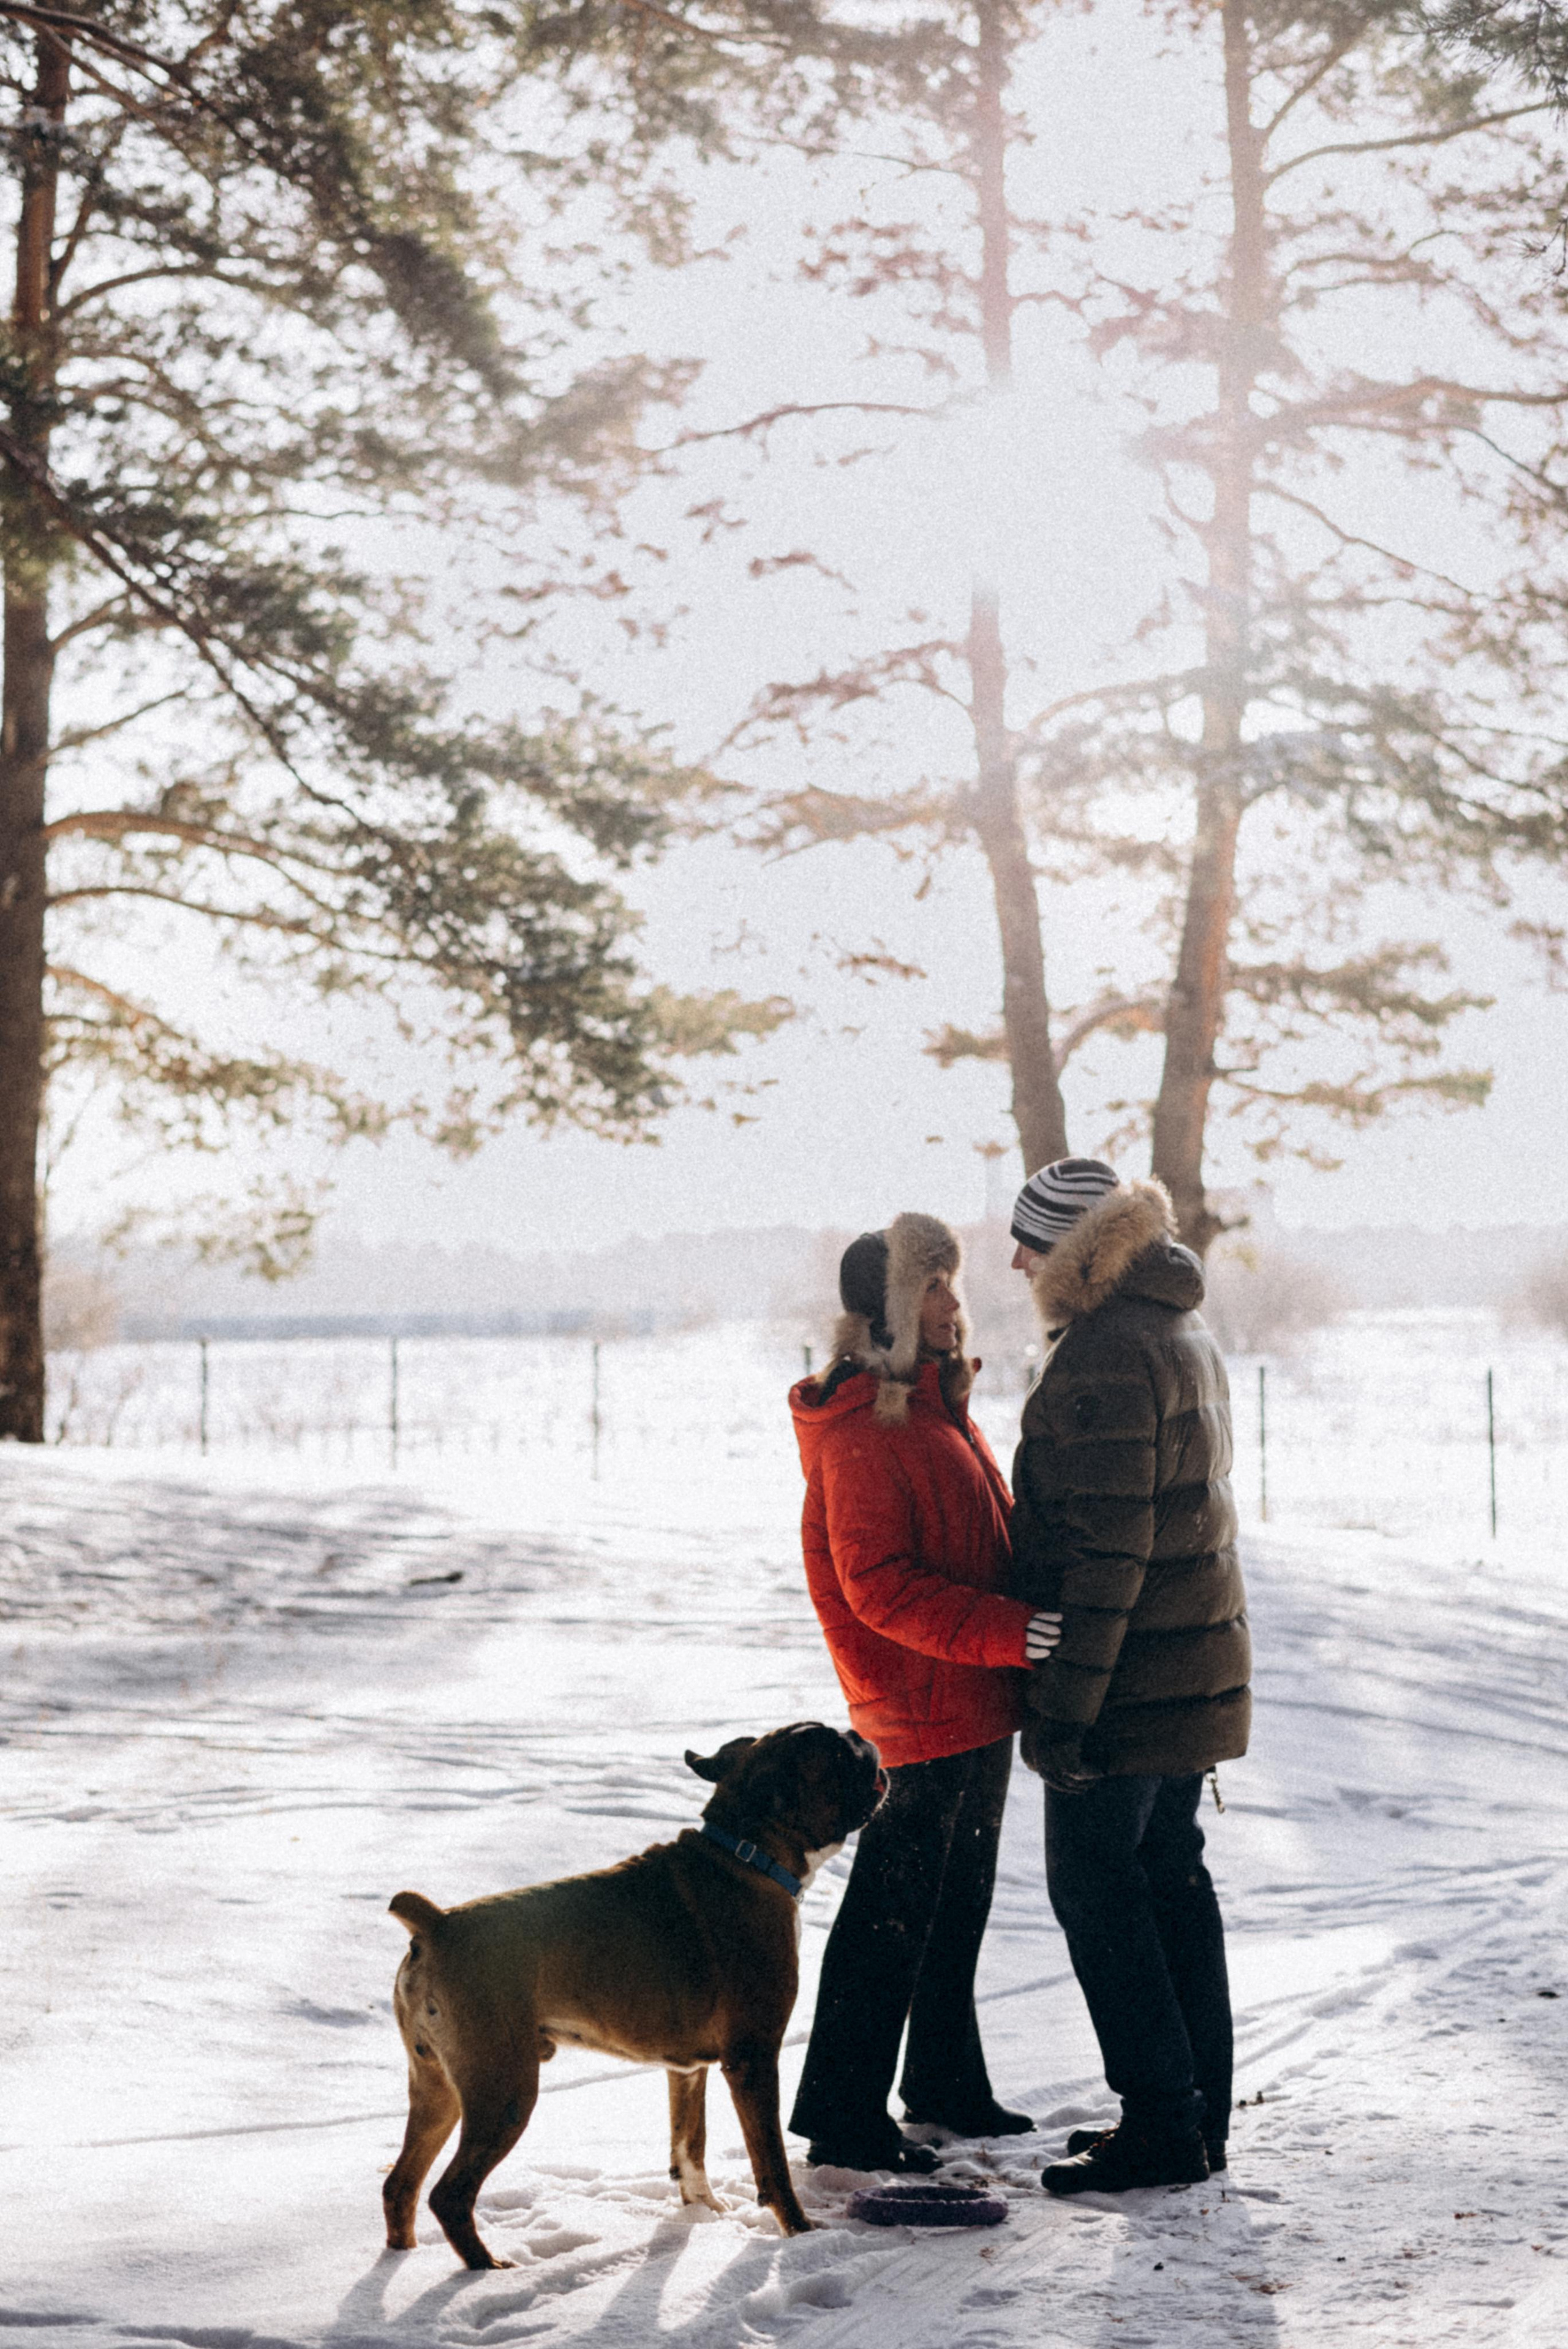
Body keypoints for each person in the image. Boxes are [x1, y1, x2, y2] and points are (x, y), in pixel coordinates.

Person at [786, 1211, 1062, 2174]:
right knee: (890, 1916)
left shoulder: (934, 1408)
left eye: (952, 1281)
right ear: (891, 1310)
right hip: (916, 1707)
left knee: (953, 1909)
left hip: (972, 1696)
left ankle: (945, 2079)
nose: (954, 1302)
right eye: (932, 1286)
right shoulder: (865, 1427)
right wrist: (1007, 1630)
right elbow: (879, 1585)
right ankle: (842, 2113)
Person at [1007, 1157, 1251, 2195]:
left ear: (1075, 1247)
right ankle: (1194, 2115)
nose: (1015, 1262)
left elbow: (1108, 1556)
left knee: (1097, 1890)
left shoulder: (1105, 1352)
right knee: (1169, 1877)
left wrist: (1064, 1711)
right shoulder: (1176, 1324)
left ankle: (1160, 2122)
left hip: (1130, 1683)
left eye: (1030, 1242)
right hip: (1185, 1668)